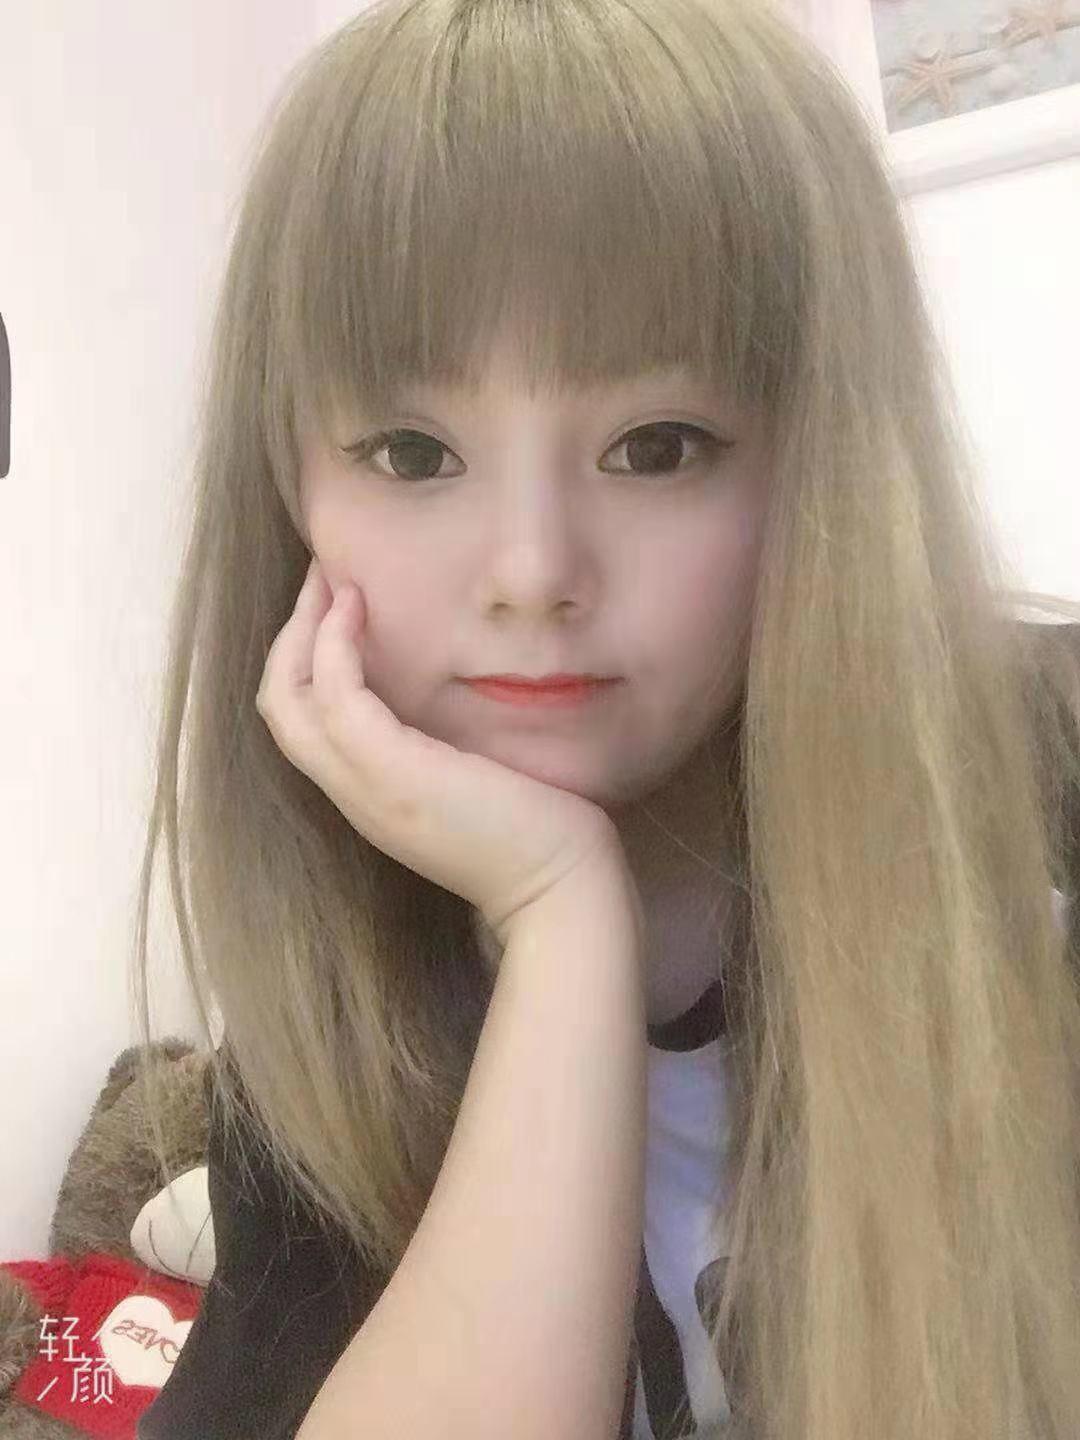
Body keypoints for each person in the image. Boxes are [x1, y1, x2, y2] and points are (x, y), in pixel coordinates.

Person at [133, 0, 1080, 1436]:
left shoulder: (1042, 782)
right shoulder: (329, 1024)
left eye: (657, 446)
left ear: (822, 458)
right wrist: (558, 912)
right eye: (412, 453)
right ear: (290, 494)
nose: (532, 572)